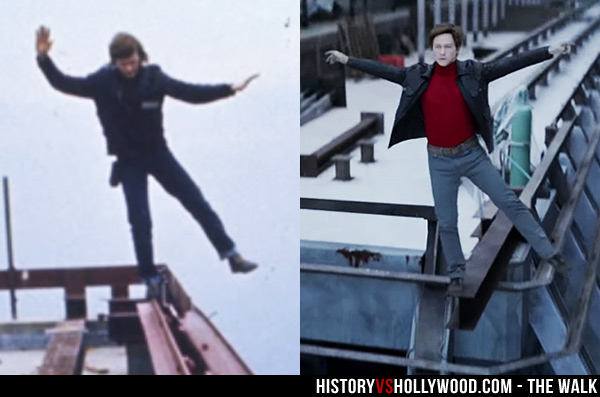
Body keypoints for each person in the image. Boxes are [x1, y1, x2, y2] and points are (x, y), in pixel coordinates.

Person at [326, 24, 570, 295]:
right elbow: (385, 71)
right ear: (432, 50)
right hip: (440, 161)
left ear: (457, 49)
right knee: (448, 220)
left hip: (472, 156)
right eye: (438, 47)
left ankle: (548, 252)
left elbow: (512, 63)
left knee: (510, 202)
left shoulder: (475, 73)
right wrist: (347, 60)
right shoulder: (417, 76)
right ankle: (456, 272)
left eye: (448, 47)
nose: (442, 52)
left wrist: (549, 51)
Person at [35, 26, 259, 296]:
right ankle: (149, 279)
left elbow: (189, 92)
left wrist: (228, 89)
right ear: (114, 63)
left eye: (132, 62)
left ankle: (231, 254)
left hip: (157, 153)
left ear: (140, 57)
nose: (129, 69)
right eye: (123, 65)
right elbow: (65, 84)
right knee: (140, 220)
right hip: (129, 161)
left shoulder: (154, 78)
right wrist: (44, 60)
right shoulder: (102, 82)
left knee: (195, 201)